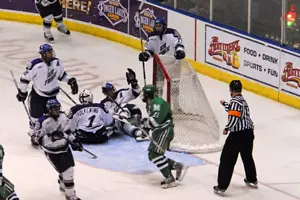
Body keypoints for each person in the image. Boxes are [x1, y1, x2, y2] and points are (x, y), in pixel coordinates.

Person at [16, 44, 78, 147]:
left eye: (51, 51)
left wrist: (70, 81)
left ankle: (51, 133)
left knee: (54, 117)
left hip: (52, 96)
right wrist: (23, 92)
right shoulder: (35, 65)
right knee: (35, 118)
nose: (51, 53)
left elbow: (62, 75)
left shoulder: (57, 62)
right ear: (43, 54)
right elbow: (25, 78)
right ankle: (34, 135)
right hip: (38, 96)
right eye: (49, 52)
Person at [214, 80, 258, 195]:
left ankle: (222, 186)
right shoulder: (242, 101)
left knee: (227, 160)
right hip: (248, 134)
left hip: (238, 135)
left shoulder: (234, 101)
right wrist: (225, 104)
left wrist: (227, 128)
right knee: (247, 156)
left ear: (231, 90)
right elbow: (236, 111)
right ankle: (252, 179)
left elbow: (234, 117)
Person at [33, 99, 82, 200]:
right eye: (55, 109)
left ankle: (63, 186)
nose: (57, 110)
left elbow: (67, 131)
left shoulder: (63, 116)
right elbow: (37, 139)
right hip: (52, 152)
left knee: (69, 168)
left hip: (65, 147)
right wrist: (51, 137)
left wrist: (74, 141)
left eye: (58, 108)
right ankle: (71, 196)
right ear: (49, 110)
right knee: (68, 171)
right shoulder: (42, 121)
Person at [141, 84, 188, 189]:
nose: (143, 95)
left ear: (147, 94)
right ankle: (177, 165)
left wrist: (142, 122)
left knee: (155, 155)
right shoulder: (151, 103)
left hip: (164, 130)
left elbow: (155, 121)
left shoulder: (157, 103)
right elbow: (152, 120)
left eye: (144, 94)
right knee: (152, 155)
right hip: (160, 130)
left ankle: (170, 178)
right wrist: (145, 127)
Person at [138, 18, 185, 111]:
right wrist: (145, 55)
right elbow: (150, 50)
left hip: (174, 64)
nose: (158, 28)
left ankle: (176, 106)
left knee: (175, 86)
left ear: (164, 26)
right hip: (160, 65)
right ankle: (159, 106)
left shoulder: (173, 33)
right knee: (159, 87)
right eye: (156, 26)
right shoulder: (152, 36)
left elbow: (179, 44)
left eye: (159, 26)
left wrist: (180, 51)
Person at [100, 68, 148, 141]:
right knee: (119, 120)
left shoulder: (122, 93)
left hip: (133, 114)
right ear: (105, 93)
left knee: (123, 107)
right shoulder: (103, 104)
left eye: (112, 89)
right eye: (109, 91)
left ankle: (140, 126)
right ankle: (138, 132)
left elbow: (137, 92)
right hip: (122, 123)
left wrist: (134, 83)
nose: (112, 91)